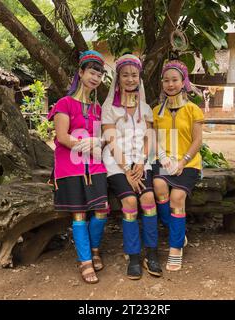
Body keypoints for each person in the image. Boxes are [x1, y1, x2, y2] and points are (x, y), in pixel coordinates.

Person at [48, 50, 108, 284]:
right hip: (69, 166)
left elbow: (104, 138)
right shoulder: (65, 103)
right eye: (92, 72)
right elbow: (62, 137)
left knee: (101, 210)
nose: (95, 78)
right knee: (80, 213)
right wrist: (88, 143)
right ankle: (85, 260)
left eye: (99, 75)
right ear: (81, 73)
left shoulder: (98, 109)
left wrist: (99, 141)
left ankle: (94, 249)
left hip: (95, 166)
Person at [101, 54, 162, 280]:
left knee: (148, 199)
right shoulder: (110, 108)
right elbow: (111, 140)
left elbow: (149, 139)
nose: (129, 79)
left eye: (134, 75)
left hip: (141, 162)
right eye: (125, 75)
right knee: (129, 201)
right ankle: (134, 256)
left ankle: (152, 254)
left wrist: (141, 163)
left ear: (139, 78)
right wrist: (127, 168)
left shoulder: (145, 108)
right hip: (117, 164)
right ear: (118, 79)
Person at [152, 60, 204, 271]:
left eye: (174, 80)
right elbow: (153, 139)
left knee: (177, 197)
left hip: (189, 162)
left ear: (183, 82)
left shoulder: (193, 110)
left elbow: (197, 141)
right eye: (166, 80)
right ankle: (178, 232)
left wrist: (183, 162)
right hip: (165, 160)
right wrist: (163, 157)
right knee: (159, 187)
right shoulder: (157, 111)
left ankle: (175, 248)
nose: (170, 84)